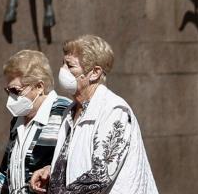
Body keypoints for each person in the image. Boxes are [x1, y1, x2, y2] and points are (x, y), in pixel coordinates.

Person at [29, 35, 157, 194]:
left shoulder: (114, 111)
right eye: (63, 64)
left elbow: (101, 175)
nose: (63, 71)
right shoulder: (71, 111)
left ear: (95, 73)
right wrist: (53, 171)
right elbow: (78, 159)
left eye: (70, 66)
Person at [0, 49, 72, 194]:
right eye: (8, 91)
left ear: (39, 87)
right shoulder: (18, 120)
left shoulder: (65, 112)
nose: (11, 97)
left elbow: (75, 164)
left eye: (16, 91)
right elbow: (5, 173)